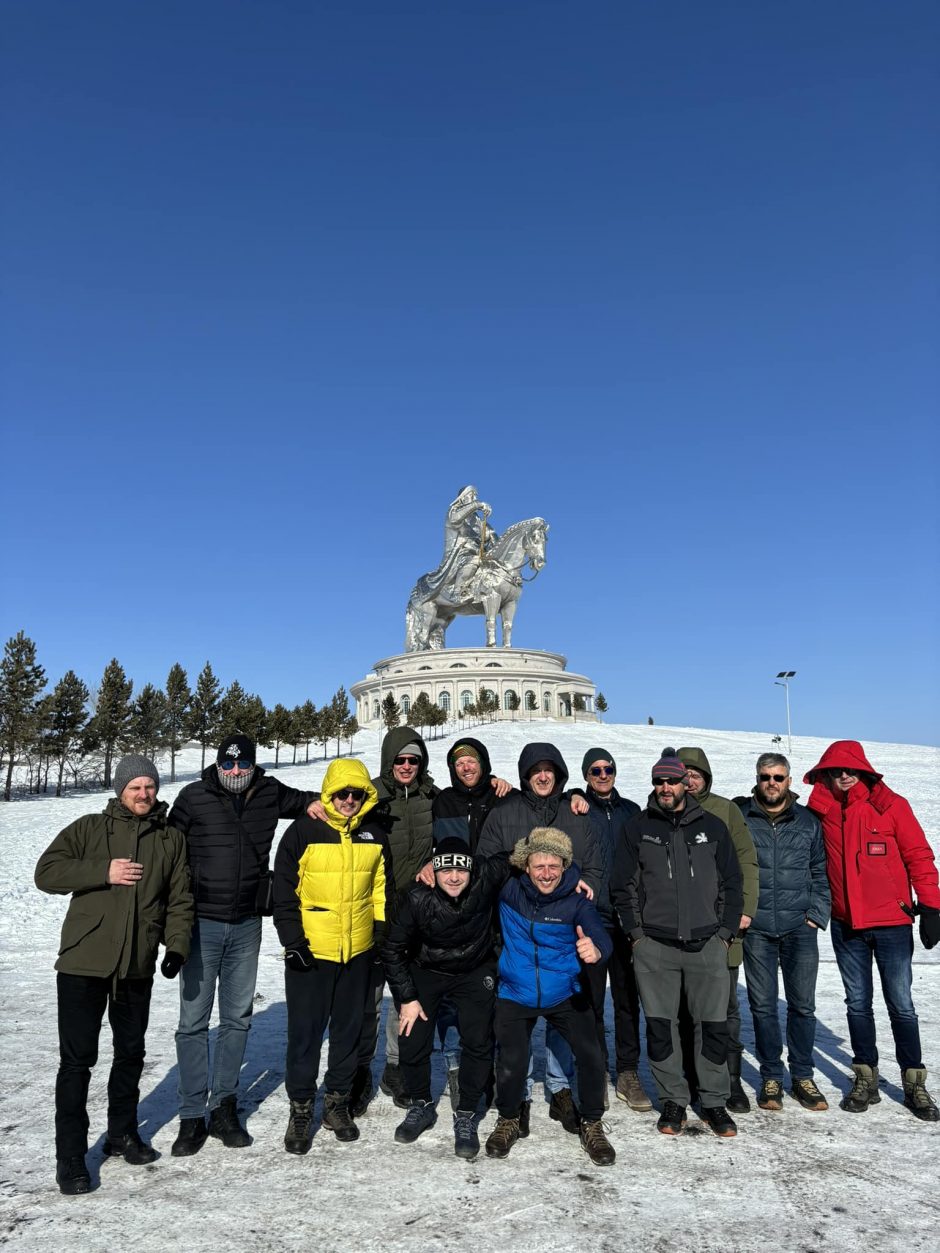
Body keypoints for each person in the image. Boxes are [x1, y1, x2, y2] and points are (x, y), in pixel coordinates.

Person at [35, 755, 193, 1195]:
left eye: (150, 786)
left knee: (130, 1054)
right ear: (120, 790)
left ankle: (122, 1134)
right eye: (135, 787)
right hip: (83, 964)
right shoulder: (88, 828)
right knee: (77, 1062)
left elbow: (180, 898)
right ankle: (70, 1157)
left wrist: (176, 946)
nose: (144, 794)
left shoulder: (170, 839)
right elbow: (45, 873)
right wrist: (102, 872)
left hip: (136, 966)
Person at [167, 733, 319, 1154]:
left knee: (237, 1019)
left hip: (248, 923)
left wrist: (330, 799)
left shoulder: (270, 793)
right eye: (228, 765)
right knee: (193, 1022)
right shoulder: (193, 797)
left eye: (243, 765)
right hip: (201, 925)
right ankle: (192, 1114)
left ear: (254, 765)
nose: (235, 772)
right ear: (218, 765)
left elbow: (309, 800)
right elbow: (166, 849)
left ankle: (223, 1107)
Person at [804, 741, 940, 1121]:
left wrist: (931, 905)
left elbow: (919, 855)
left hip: (892, 925)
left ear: (864, 772)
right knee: (858, 1004)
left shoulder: (891, 806)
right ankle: (865, 1078)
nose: (844, 776)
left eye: (851, 770)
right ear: (826, 774)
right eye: (836, 771)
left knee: (902, 1004)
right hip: (847, 926)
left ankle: (914, 1082)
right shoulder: (821, 811)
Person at [611, 750, 743, 1137]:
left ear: (686, 782)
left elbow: (732, 884)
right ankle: (673, 1100)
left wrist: (724, 934)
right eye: (659, 782)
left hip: (707, 945)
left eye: (671, 781)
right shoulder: (639, 828)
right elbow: (624, 886)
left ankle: (714, 1101)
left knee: (712, 1026)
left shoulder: (713, 827)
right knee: (661, 1027)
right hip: (655, 946)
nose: (665, 788)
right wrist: (636, 935)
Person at [477, 742, 602, 1134]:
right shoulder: (505, 812)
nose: (543, 776)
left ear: (560, 774)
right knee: (517, 1021)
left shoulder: (576, 811)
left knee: (562, 1012)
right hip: (515, 931)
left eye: (550, 770)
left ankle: (560, 1087)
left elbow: (594, 866)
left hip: (563, 932)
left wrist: (585, 893)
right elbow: (486, 867)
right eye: (536, 770)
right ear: (526, 775)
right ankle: (520, 1097)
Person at [273, 759, 391, 1150]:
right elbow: (284, 892)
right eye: (342, 794)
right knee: (305, 1035)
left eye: (357, 794)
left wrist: (377, 934)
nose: (349, 801)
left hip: (356, 952)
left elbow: (380, 888)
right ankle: (302, 1107)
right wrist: (293, 942)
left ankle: (337, 1102)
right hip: (312, 953)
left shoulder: (373, 834)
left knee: (348, 1032)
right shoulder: (303, 832)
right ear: (330, 793)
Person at [486, 828, 616, 1166]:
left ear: (564, 867)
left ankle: (591, 1121)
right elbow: (478, 871)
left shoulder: (575, 900)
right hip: (515, 990)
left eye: (554, 867)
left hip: (564, 992)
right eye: (539, 865)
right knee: (512, 1060)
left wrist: (597, 947)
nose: (546, 874)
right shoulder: (509, 891)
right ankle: (509, 1118)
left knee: (591, 1055)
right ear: (526, 866)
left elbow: (601, 934)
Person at [382, 837, 510, 1158]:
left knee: (479, 1040)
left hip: (473, 968)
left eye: (461, 869)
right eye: (446, 868)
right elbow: (393, 950)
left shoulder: (485, 876)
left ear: (473, 869)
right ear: (433, 871)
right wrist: (408, 998)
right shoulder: (415, 897)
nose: (454, 876)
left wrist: (572, 873)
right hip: (428, 968)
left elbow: (523, 854)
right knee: (412, 1035)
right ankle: (421, 1104)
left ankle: (465, 1113)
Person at [736, 753, 830, 1111]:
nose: (771, 783)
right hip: (757, 930)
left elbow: (821, 872)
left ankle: (803, 1075)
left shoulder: (808, 822)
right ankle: (771, 1075)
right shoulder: (743, 818)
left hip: (799, 929)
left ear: (789, 781)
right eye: (765, 777)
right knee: (762, 1007)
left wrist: (815, 916)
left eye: (778, 777)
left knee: (802, 1007)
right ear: (757, 779)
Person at [428, 738, 510, 1107]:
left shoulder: (503, 796)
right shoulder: (442, 800)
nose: (465, 767)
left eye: (471, 761)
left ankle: (485, 1066)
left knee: (486, 992)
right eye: (458, 762)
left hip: (494, 906)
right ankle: (457, 1069)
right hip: (453, 906)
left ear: (484, 763)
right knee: (450, 998)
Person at [677, 746, 759, 1114]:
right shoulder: (660, 809)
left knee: (724, 1008)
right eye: (684, 774)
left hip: (722, 927)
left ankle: (730, 1079)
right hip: (677, 930)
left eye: (697, 774)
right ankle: (693, 1080)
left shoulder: (726, 810)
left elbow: (746, 861)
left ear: (707, 778)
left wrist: (744, 910)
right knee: (683, 1009)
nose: (690, 781)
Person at [576, 748, 651, 1111]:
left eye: (608, 769)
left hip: (624, 920)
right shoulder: (576, 809)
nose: (603, 775)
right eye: (595, 770)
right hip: (590, 919)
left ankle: (627, 1072)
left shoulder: (632, 812)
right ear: (586, 775)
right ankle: (594, 1070)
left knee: (626, 1000)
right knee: (589, 1001)